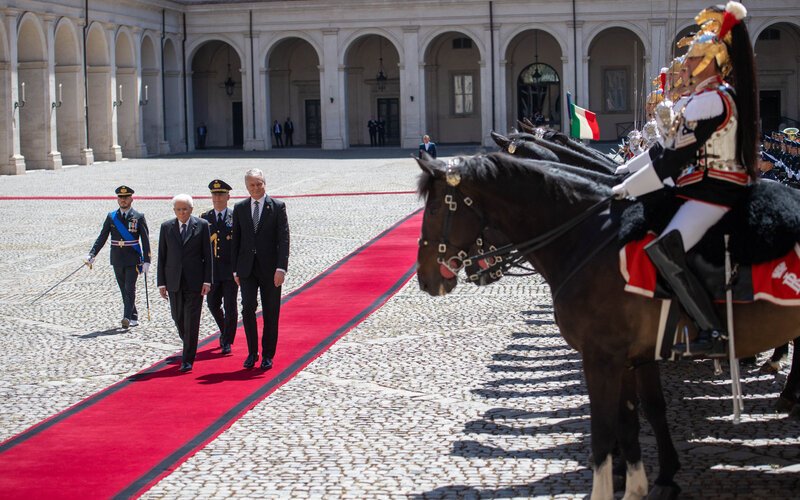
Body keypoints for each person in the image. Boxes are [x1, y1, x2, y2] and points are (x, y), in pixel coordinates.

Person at [612, 1, 757, 357]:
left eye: (693, 59)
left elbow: (674, 161)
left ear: (711, 62)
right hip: (701, 187)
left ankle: (712, 329)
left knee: (665, 249)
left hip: (716, 190)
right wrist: (624, 172)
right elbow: (664, 150)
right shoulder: (702, 98)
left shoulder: (711, 100)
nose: (686, 66)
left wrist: (626, 189)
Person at [231, 168, 290, 370]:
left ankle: (267, 354)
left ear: (265, 183)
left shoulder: (277, 207)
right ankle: (252, 352)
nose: (256, 188)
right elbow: (235, 241)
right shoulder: (239, 208)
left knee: (271, 312)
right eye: (252, 185)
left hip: (271, 269)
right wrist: (235, 270)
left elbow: (283, 239)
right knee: (247, 308)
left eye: (259, 184)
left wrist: (281, 268)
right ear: (246, 187)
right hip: (247, 269)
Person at [157, 194, 213, 372]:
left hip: (195, 281)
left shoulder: (202, 226)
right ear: (174, 211)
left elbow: (208, 256)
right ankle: (189, 342)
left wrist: (207, 280)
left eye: (185, 209)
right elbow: (162, 256)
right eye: (179, 209)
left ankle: (188, 358)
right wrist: (161, 283)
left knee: (192, 320)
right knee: (177, 317)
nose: (182, 212)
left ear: (191, 209)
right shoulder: (166, 227)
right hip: (173, 280)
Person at [85, 185, 151, 329]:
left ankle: (126, 317)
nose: (123, 200)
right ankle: (133, 315)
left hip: (132, 258)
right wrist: (92, 254)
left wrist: (147, 260)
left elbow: (145, 240)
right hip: (117, 258)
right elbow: (102, 237)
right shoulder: (111, 217)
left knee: (129, 288)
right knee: (123, 289)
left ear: (131, 199)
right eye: (120, 197)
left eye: (126, 197)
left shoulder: (139, 217)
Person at [200, 179, 238, 355]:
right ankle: (224, 330)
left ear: (228, 196)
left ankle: (227, 340)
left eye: (221, 194)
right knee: (212, 304)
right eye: (214, 194)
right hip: (212, 272)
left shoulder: (235, 217)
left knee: (230, 307)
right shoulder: (204, 219)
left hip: (230, 271)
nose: (217, 197)